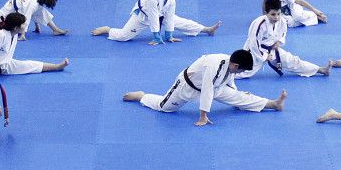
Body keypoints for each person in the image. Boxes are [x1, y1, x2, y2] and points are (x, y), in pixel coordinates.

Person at [122, 50, 287, 126]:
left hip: (217, 87)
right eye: (242, 70)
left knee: (240, 97)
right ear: (236, 65)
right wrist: (203, 116)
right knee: (164, 108)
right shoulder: (214, 65)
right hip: (187, 86)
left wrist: (236, 97)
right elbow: (207, 91)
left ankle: (273, 104)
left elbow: (229, 80)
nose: (242, 73)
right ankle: (142, 96)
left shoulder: (230, 66)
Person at [90, 0, 220, 44]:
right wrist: (157, 37)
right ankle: (108, 30)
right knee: (124, 37)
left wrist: (169, 36)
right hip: (142, 17)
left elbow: (169, 17)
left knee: (182, 22)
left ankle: (206, 29)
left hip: (160, 15)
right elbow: (153, 17)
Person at [238, 0, 330, 78]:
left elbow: (283, 33)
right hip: (255, 52)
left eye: (278, 14)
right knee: (242, 73)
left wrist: (279, 42)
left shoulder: (281, 20)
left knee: (292, 61)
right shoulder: (259, 24)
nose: (276, 17)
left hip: (272, 49)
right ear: (266, 13)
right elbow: (254, 43)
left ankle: (320, 69)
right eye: (273, 14)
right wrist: (264, 56)